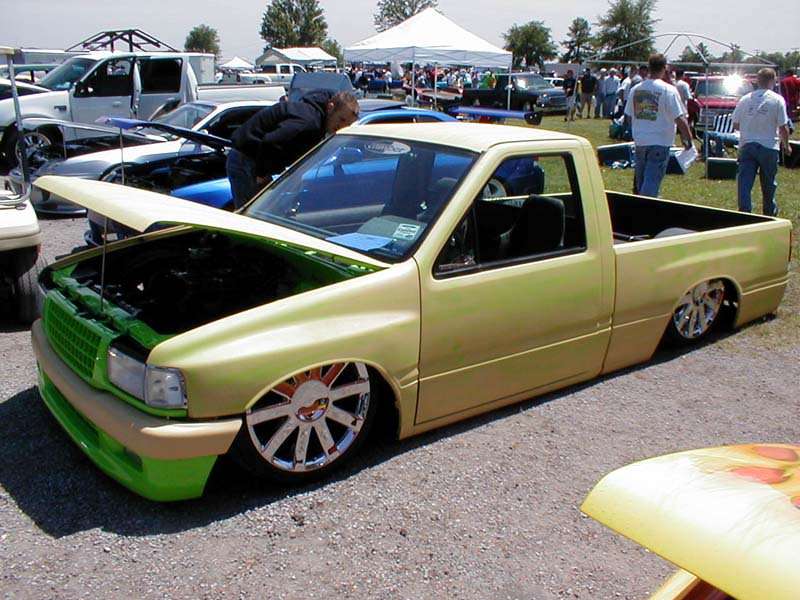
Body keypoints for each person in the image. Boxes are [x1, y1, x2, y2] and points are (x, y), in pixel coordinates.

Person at [226, 90, 359, 208]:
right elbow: (272, 141)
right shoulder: (308, 122)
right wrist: (262, 173)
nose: (341, 126)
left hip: (253, 159)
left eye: (347, 124)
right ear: (330, 107)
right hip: (247, 159)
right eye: (341, 119)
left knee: (266, 209)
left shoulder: (315, 118)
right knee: (251, 215)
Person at [624, 54, 694, 197]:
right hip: (660, 142)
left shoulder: (636, 89)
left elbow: (628, 116)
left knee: (641, 181)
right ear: (664, 68)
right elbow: (680, 118)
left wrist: (637, 131)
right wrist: (688, 139)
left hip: (640, 141)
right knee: (651, 183)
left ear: (649, 68)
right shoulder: (668, 90)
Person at [733, 68, 791, 216]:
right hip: (768, 145)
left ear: (757, 81)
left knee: (745, 182)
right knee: (768, 182)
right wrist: (786, 145)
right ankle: (769, 211)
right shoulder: (777, 99)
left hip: (747, 144)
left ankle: (744, 211)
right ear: (773, 81)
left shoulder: (745, 99)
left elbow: (736, 124)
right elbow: (783, 126)